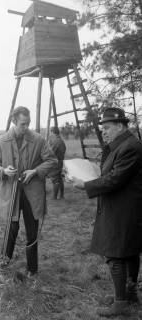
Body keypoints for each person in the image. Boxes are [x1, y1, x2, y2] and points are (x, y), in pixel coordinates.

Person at [72, 107, 142, 317]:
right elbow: (113, 171)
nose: (103, 131)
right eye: (102, 128)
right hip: (124, 208)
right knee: (129, 251)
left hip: (123, 210)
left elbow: (115, 178)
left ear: (120, 126)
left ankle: (121, 302)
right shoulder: (122, 145)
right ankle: (129, 293)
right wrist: (95, 170)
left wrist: (86, 185)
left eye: (108, 127)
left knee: (115, 254)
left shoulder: (130, 147)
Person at [0, 106, 57, 276]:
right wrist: (3, 171)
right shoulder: (1, 141)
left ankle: (32, 269)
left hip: (31, 193)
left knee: (32, 230)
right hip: (10, 193)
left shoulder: (39, 140)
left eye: (28, 124)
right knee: (11, 227)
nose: (26, 127)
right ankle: (4, 264)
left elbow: (52, 161)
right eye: (22, 124)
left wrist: (35, 171)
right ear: (14, 122)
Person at [48, 126, 66, 199]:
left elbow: (51, 153)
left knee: (55, 180)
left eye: (50, 132)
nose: (50, 134)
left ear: (53, 132)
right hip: (60, 162)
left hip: (55, 162)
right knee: (60, 179)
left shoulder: (55, 141)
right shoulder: (61, 141)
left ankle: (54, 197)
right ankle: (61, 196)